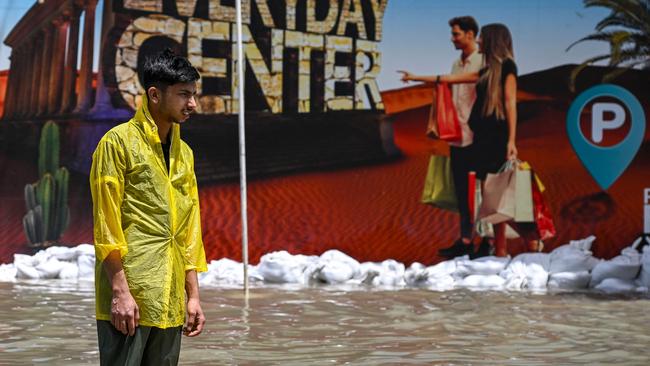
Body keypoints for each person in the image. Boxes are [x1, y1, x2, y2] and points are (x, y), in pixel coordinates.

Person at [90, 49, 208, 365]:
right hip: (131, 297)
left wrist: (193, 296)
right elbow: (107, 225)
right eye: (184, 95)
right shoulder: (117, 143)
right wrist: (120, 293)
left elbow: (189, 229)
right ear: (154, 94)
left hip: (169, 298)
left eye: (193, 95)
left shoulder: (186, 155)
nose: (192, 104)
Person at [400, 23, 534, 257]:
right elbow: (452, 78)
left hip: (497, 137)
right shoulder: (487, 70)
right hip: (481, 137)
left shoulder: (508, 67)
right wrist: (416, 77)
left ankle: (518, 243)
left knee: (499, 192)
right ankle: (495, 246)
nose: (479, 41)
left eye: (483, 38)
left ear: (493, 40)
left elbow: (511, 103)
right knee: (486, 193)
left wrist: (512, 140)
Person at [436, 16, 484, 259]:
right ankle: (466, 240)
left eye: (456, 34)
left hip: (480, 136)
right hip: (457, 136)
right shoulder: (456, 63)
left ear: (470, 34)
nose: (452, 38)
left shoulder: (483, 61)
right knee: (462, 190)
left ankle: (486, 241)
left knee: (484, 191)